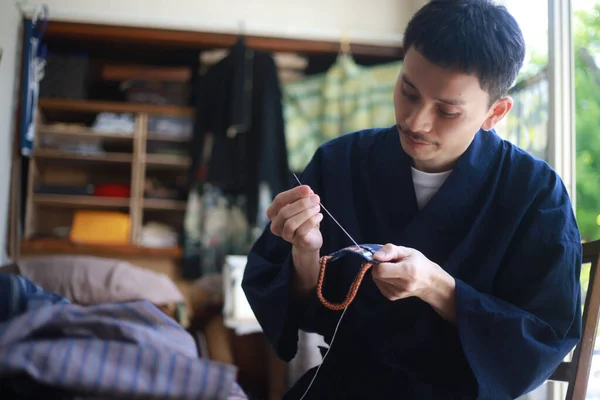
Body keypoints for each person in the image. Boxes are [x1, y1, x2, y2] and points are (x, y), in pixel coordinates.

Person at [241, 0, 583, 398]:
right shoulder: (341, 162)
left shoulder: (536, 193)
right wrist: (304, 252)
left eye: (447, 111)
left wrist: (437, 286)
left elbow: (544, 336)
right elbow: (296, 309)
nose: (416, 121)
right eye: (409, 91)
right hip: (345, 385)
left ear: (496, 112)